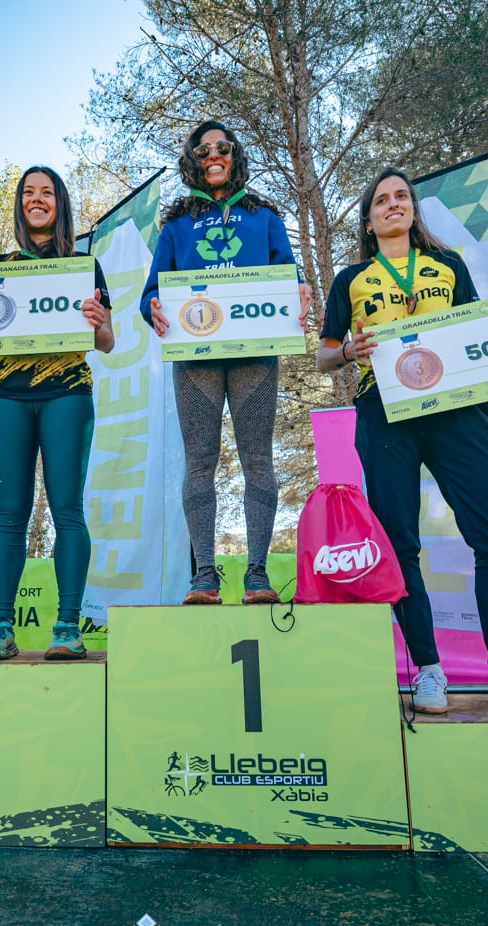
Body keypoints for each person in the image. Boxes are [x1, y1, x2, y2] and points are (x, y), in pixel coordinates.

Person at [315, 168, 488, 716]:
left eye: (401, 196)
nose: (393, 205)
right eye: (381, 199)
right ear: (368, 217)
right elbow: (324, 355)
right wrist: (349, 351)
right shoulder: (351, 279)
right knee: (401, 542)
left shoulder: (447, 265)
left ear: (413, 208)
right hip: (384, 408)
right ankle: (428, 668)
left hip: (457, 407)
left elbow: (477, 331)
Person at [141, 120, 310, 605]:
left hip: (254, 354)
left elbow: (288, 275)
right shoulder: (176, 224)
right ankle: (204, 577)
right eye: (202, 149)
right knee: (200, 463)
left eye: (222, 147)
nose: (213, 155)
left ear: (235, 155)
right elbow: (153, 289)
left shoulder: (265, 217)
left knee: (258, 458)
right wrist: (150, 305)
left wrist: (298, 289)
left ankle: (257, 574)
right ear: (192, 160)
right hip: (195, 357)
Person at [0, 165, 113, 659]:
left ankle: (67, 626)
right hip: (6, 398)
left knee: (67, 510)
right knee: (9, 516)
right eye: (28, 193)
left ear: (60, 204)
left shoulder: (84, 265)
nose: (36, 199)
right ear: (20, 204)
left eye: (47, 193)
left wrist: (100, 323)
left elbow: (106, 341)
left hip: (67, 394)